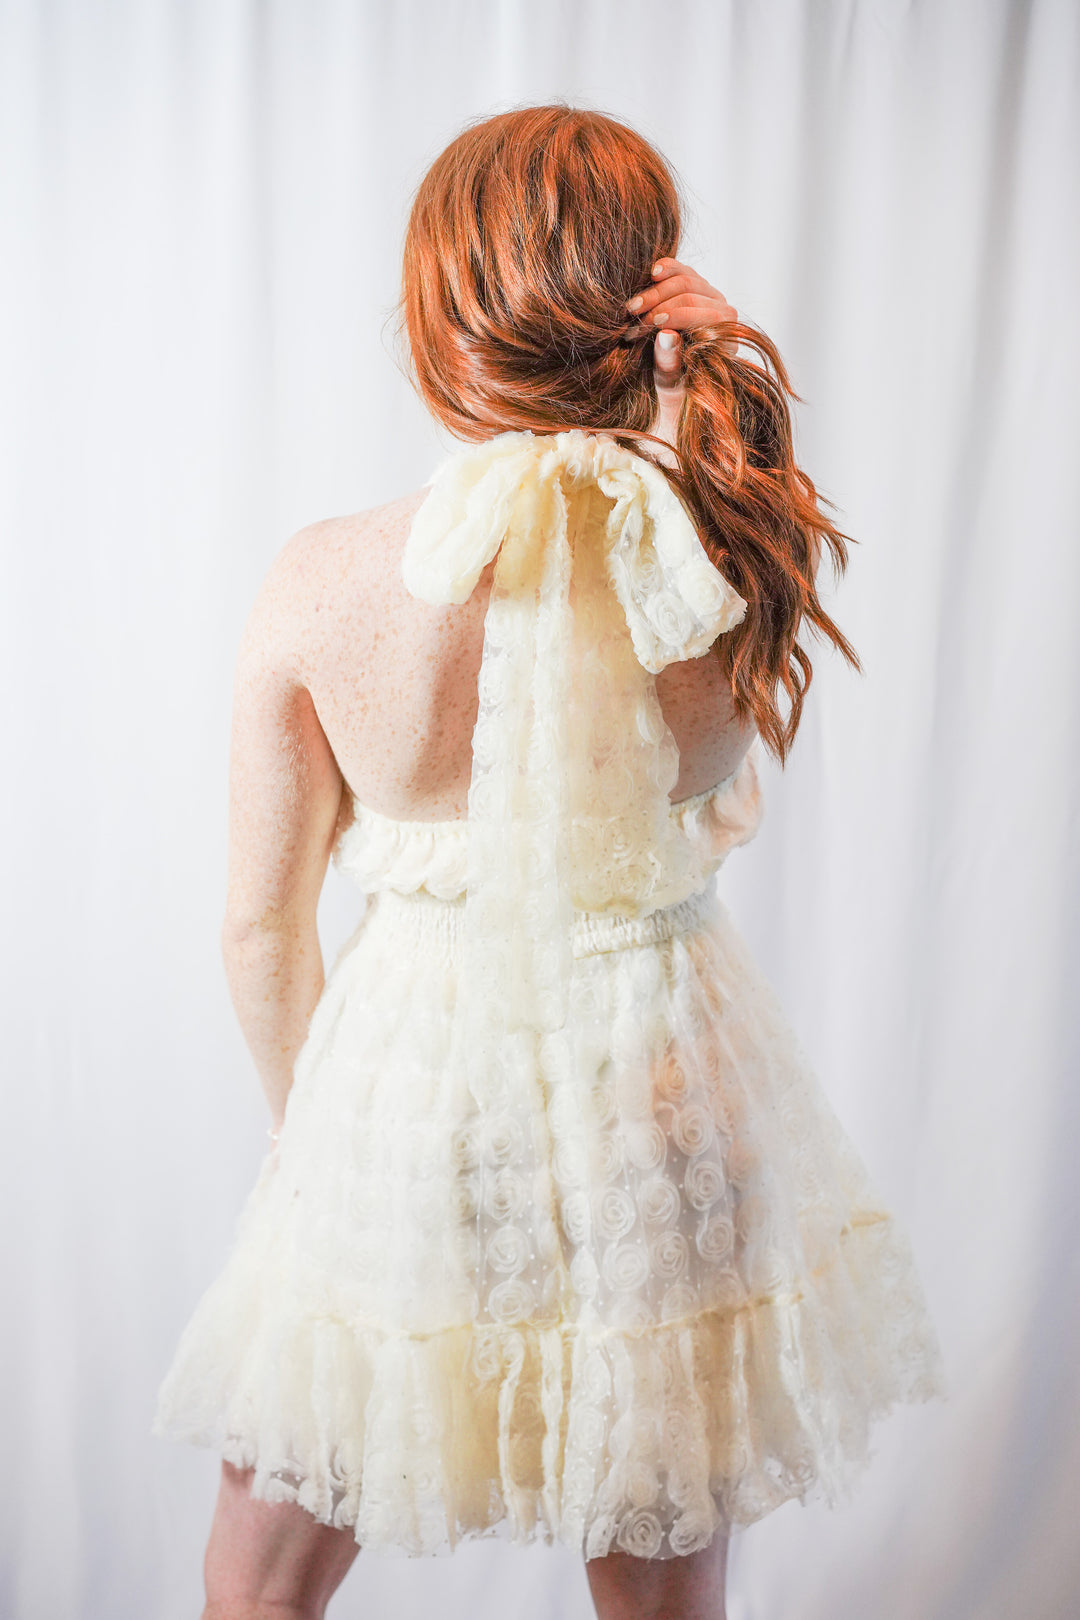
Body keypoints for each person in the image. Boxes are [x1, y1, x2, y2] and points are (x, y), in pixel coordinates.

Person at [153, 104, 948, 1620]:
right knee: (661, 1602)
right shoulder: (733, 560)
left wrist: (306, 1136)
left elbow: (260, 926)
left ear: (447, 316)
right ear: (649, 296)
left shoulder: (324, 582)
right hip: (665, 1090)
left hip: (407, 1094)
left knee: (255, 1586)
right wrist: (737, 408)